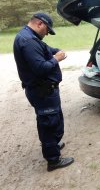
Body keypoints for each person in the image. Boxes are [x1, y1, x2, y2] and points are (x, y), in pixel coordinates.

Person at [13, 12, 74, 172]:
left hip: (45, 90)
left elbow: (47, 49)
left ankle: (52, 145)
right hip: (42, 91)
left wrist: (56, 51)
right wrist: (56, 59)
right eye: (47, 30)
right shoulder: (28, 41)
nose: (47, 33)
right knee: (49, 124)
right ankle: (53, 160)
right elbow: (40, 68)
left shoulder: (31, 37)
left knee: (54, 121)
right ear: (40, 24)